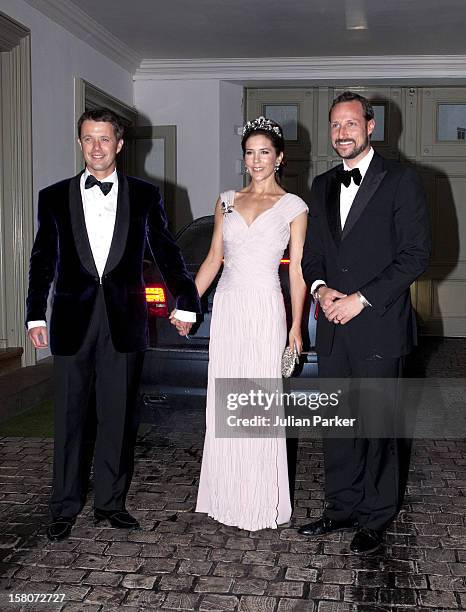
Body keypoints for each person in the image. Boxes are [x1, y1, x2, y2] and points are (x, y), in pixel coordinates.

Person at [26, 108, 200, 541]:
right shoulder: (53, 196)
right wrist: (34, 313)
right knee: (69, 417)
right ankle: (64, 507)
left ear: (120, 144)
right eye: (89, 139)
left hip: (124, 321)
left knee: (117, 416)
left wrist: (187, 299)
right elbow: (42, 260)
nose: (97, 147)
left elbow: (166, 252)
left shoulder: (145, 195)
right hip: (70, 320)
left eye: (105, 139)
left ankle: (110, 502)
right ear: (80, 143)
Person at [299, 91, 431, 554]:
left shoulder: (401, 180)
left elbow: (416, 254)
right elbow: (311, 253)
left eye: (351, 124)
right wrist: (319, 289)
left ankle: (376, 516)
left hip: (378, 325)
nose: (342, 133)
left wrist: (361, 299)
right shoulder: (321, 184)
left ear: (371, 127)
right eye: (335, 126)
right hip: (333, 325)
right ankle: (340, 508)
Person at [181, 116, 308, 530]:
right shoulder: (226, 200)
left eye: (264, 152)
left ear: (279, 157)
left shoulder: (293, 207)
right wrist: (186, 305)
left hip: (265, 308)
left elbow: (297, 272)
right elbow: (214, 259)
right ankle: (226, 495)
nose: (256, 160)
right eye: (250, 153)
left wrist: (295, 326)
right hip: (231, 307)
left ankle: (258, 499)